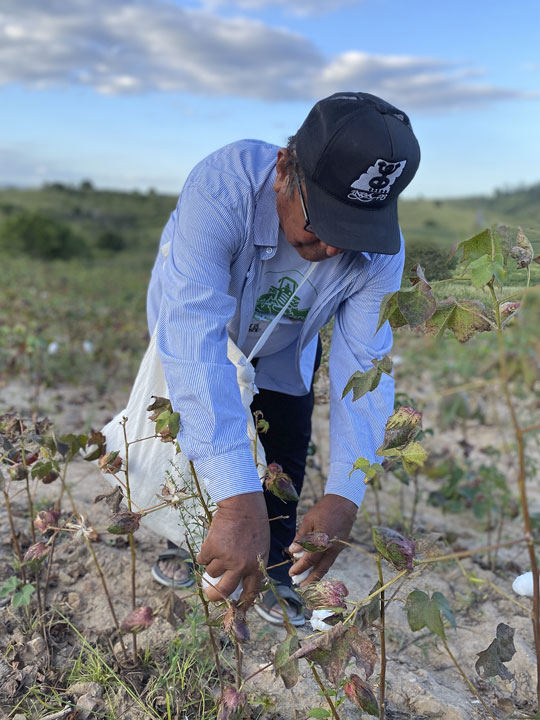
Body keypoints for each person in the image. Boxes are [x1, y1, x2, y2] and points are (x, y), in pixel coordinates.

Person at [146, 91, 420, 625]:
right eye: (324, 222)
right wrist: (234, 498)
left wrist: (346, 490)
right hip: (199, 326)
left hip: (285, 342)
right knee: (196, 433)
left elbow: (364, 365)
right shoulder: (222, 187)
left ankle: (270, 565)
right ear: (283, 170)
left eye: (355, 229)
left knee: (284, 443)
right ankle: (202, 545)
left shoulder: (382, 254)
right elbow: (193, 341)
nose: (336, 248)